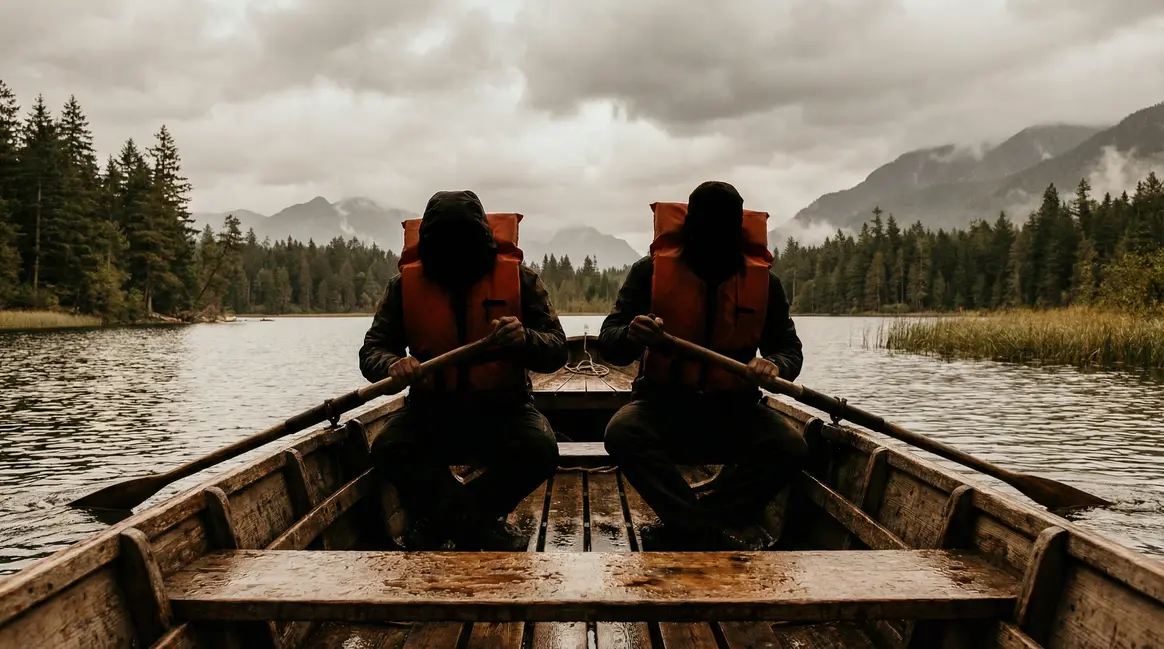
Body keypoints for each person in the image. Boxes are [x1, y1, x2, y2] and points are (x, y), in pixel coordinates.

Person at [599, 181, 808, 551]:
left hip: (734, 410)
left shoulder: (764, 282)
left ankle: (695, 523)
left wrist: (774, 364)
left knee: (790, 446)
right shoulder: (649, 272)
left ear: (738, 230)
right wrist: (633, 335)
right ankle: (703, 530)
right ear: (688, 225)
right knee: (621, 432)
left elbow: (789, 348)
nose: (712, 238)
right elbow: (609, 343)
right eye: (704, 227)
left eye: (723, 229)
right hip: (662, 405)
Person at [359, 190, 567, 552]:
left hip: (504, 410)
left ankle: (440, 525)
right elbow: (372, 351)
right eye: (444, 247)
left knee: (541, 449)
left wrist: (526, 339)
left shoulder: (522, 280)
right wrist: (392, 365)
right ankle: (481, 529)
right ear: (428, 245)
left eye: (465, 245)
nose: (455, 255)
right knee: (389, 447)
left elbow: (556, 350)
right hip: (431, 413)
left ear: (483, 240)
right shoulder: (403, 287)